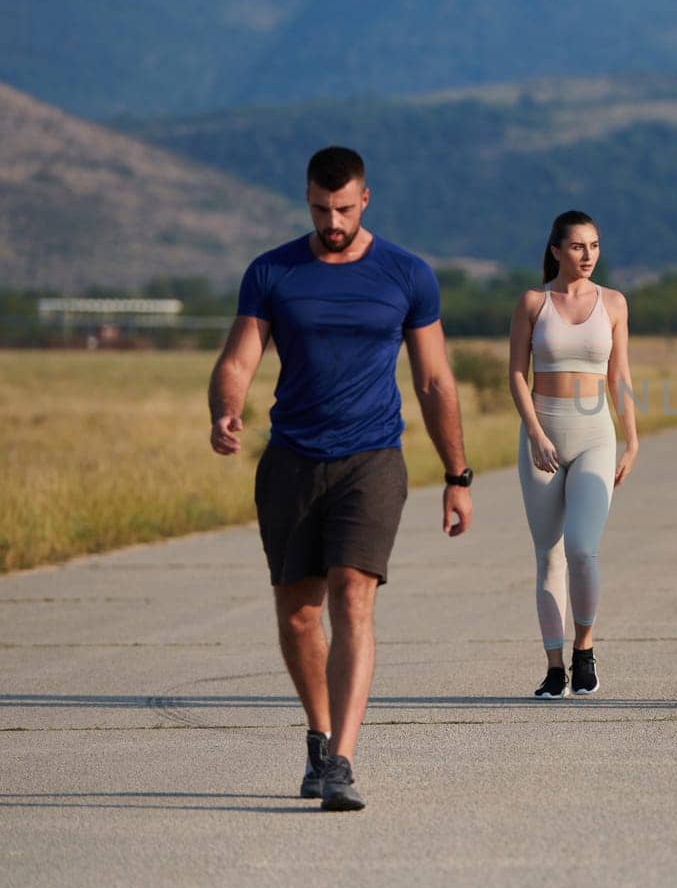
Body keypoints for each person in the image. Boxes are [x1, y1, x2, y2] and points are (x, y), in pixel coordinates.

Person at [209, 146, 473, 811]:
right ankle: (319, 737)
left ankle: (343, 761)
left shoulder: (407, 273)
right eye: (322, 209)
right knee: (300, 613)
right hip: (292, 458)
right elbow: (239, 357)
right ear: (307, 200)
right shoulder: (272, 271)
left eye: (345, 209)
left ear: (366, 200)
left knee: (353, 594)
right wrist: (226, 408)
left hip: (371, 458)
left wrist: (457, 473)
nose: (333, 221)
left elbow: (436, 379)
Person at [509, 211, 639, 700]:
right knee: (549, 556)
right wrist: (536, 433)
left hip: (595, 435)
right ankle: (554, 667)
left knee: (583, 548)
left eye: (595, 246)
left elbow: (619, 377)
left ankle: (585, 649)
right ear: (557, 249)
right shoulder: (532, 303)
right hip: (542, 433)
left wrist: (632, 438)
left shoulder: (615, 303)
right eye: (579, 246)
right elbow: (517, 375)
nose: (588, 256)